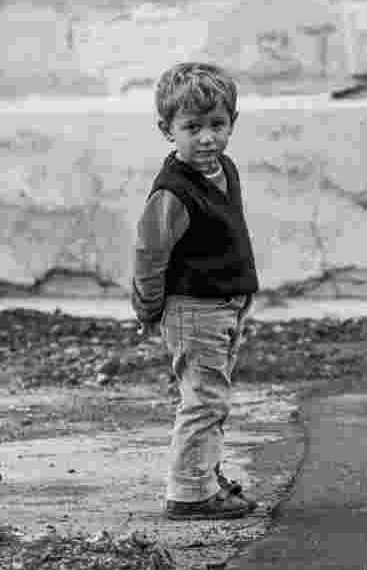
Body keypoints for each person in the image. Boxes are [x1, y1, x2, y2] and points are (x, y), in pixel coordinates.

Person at [131, 61, 260, 521]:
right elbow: (149, 254)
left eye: (217, 125)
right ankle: (189, 492)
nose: (207, 138)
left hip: (225, 305)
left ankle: (204, 475)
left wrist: (242, 299)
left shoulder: (224, 168)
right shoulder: (173, 192)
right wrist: (148, 307)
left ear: (232, 123)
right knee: (203, 400)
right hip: (193, 309)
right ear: (168, 130)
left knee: (213, 397)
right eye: (192, 127)